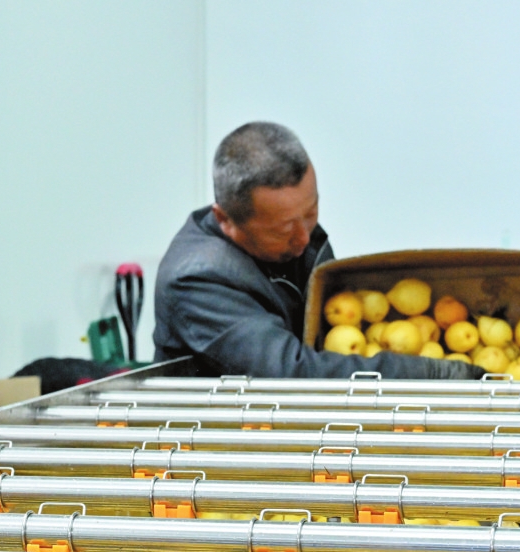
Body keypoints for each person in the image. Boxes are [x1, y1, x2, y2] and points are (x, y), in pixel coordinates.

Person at [154, 122, 482, 380]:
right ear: (225, 220)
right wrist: (433, 373)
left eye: (311, 212)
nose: (302, 239)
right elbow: (291, 372)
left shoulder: (298, 235)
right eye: (282, 230)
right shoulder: (196, 278)